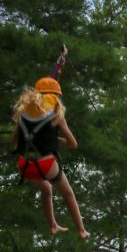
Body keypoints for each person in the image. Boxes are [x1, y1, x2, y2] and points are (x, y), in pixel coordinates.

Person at [12, 77, 90, 239]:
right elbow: (72, 144)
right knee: (68, 193)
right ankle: (82, 230)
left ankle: (53, 225)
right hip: (46, 164)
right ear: (55, 97)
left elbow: (14, 141)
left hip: (25, 165)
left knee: (46, 189)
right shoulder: (56, 113)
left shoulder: (23, 112)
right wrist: (57, 140)